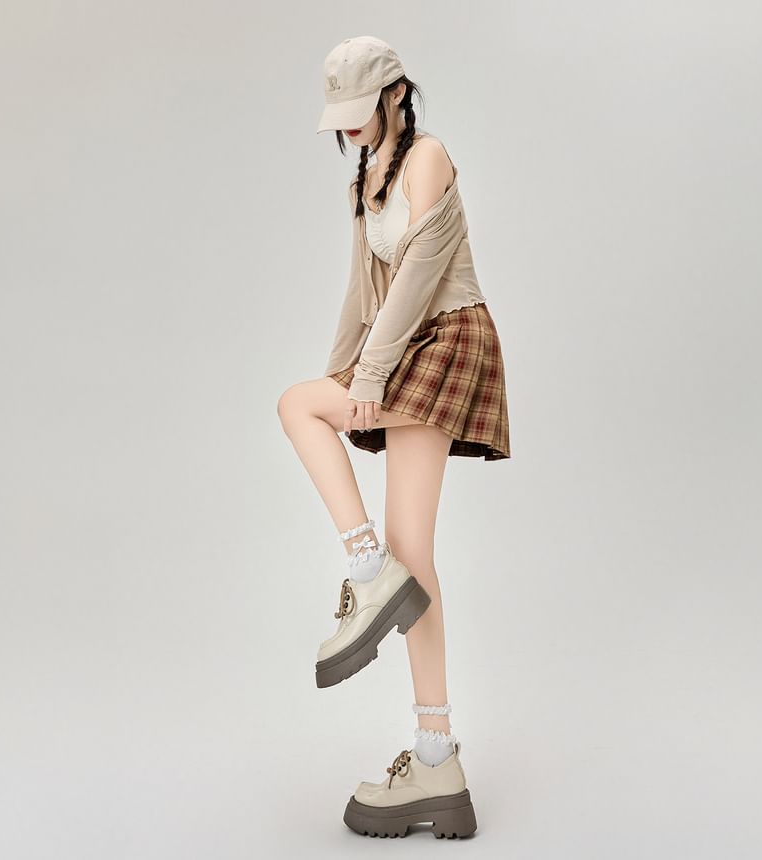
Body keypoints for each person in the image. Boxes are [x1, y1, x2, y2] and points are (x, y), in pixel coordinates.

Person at [277, 35, 511, 839]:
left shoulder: (428, 158)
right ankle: (438, 755)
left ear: (396, 94)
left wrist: (367, 381)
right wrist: (342, 375)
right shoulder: (366, 177)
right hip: (403, 345)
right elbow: (362, 292)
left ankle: (365, 567)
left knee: (295, 407)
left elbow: (415, 282)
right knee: (414, 553)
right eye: (339, 116)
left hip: (448, 338)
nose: (350, 128)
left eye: (359, 110)